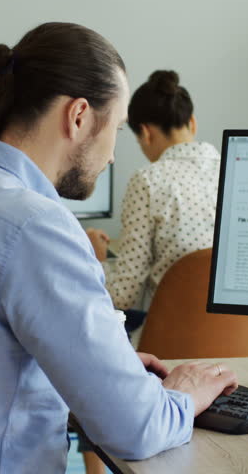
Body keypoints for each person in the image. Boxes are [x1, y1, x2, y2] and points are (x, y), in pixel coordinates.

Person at [0, 24, 238, 473]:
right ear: (78, 117)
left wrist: (96, 363)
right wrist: (183, 393)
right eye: (115, 127)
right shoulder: (37, 226)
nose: (114, 154)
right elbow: (136, 429)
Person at [86, 70, 221, 335]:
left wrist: (97, 259)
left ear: (145, 133)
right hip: (247, 344)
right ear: (192, 123)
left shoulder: (148, 180)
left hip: (176, 342)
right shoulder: (232, 170)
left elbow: (123, 296)